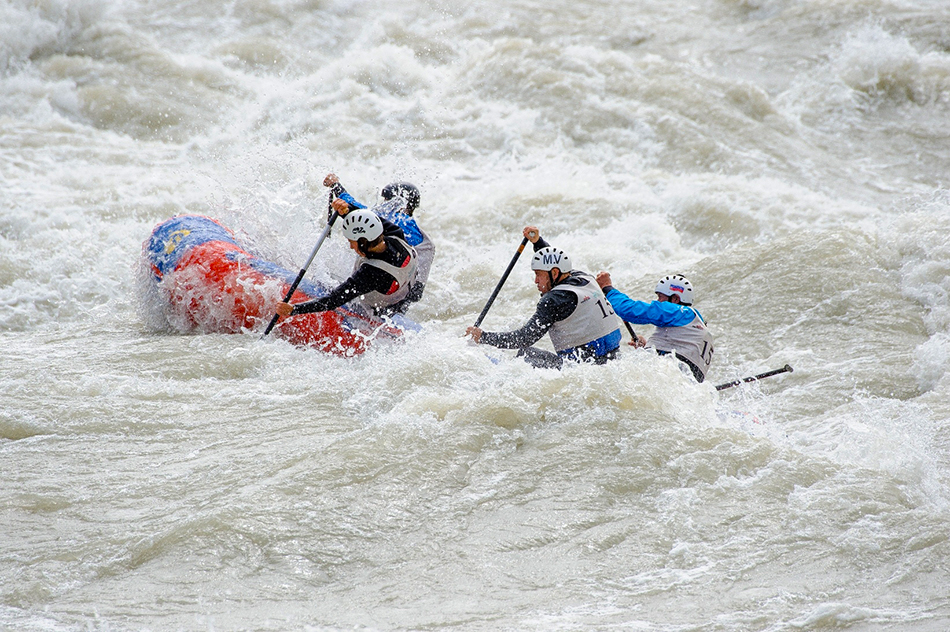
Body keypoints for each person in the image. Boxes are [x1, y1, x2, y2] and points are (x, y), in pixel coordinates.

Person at [465, 226, 622, 369]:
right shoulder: (583, 277)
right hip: (613, 362)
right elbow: (556, 263)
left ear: (554, 274)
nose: (536, 281)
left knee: (525, 356)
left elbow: (523, 338)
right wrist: (537, 242)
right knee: (527, 355)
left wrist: (483, 337)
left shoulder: (555, 300)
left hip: (581, 372)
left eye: (538, 275)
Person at [274, 200, 417, 320]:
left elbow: (333, 300)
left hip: (378, 311)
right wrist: (347, 210)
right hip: (402, 299)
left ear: (363, 241)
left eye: (351, 241)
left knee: (323, 283)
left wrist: (293, 309)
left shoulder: (371, 273)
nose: (350, 246)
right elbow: (368, 219)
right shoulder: (394, 234)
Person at [323, 174, 435, 309]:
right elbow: (416, 293)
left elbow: (358, 210)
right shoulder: (425, 241)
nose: (384, 204)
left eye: (386, 200)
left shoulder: (389, 219)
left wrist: (336, 186)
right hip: (400, 294)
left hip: (377, 283)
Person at [596, 271, 714, 382]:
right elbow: (682, 357)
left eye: (660, 297)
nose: (657, 301)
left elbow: (629, 310)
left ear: (675, 299)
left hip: (668, 377)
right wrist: (648, 346)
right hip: (681, 384)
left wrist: (608, 288)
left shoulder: (679, 312)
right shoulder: (698, 324)